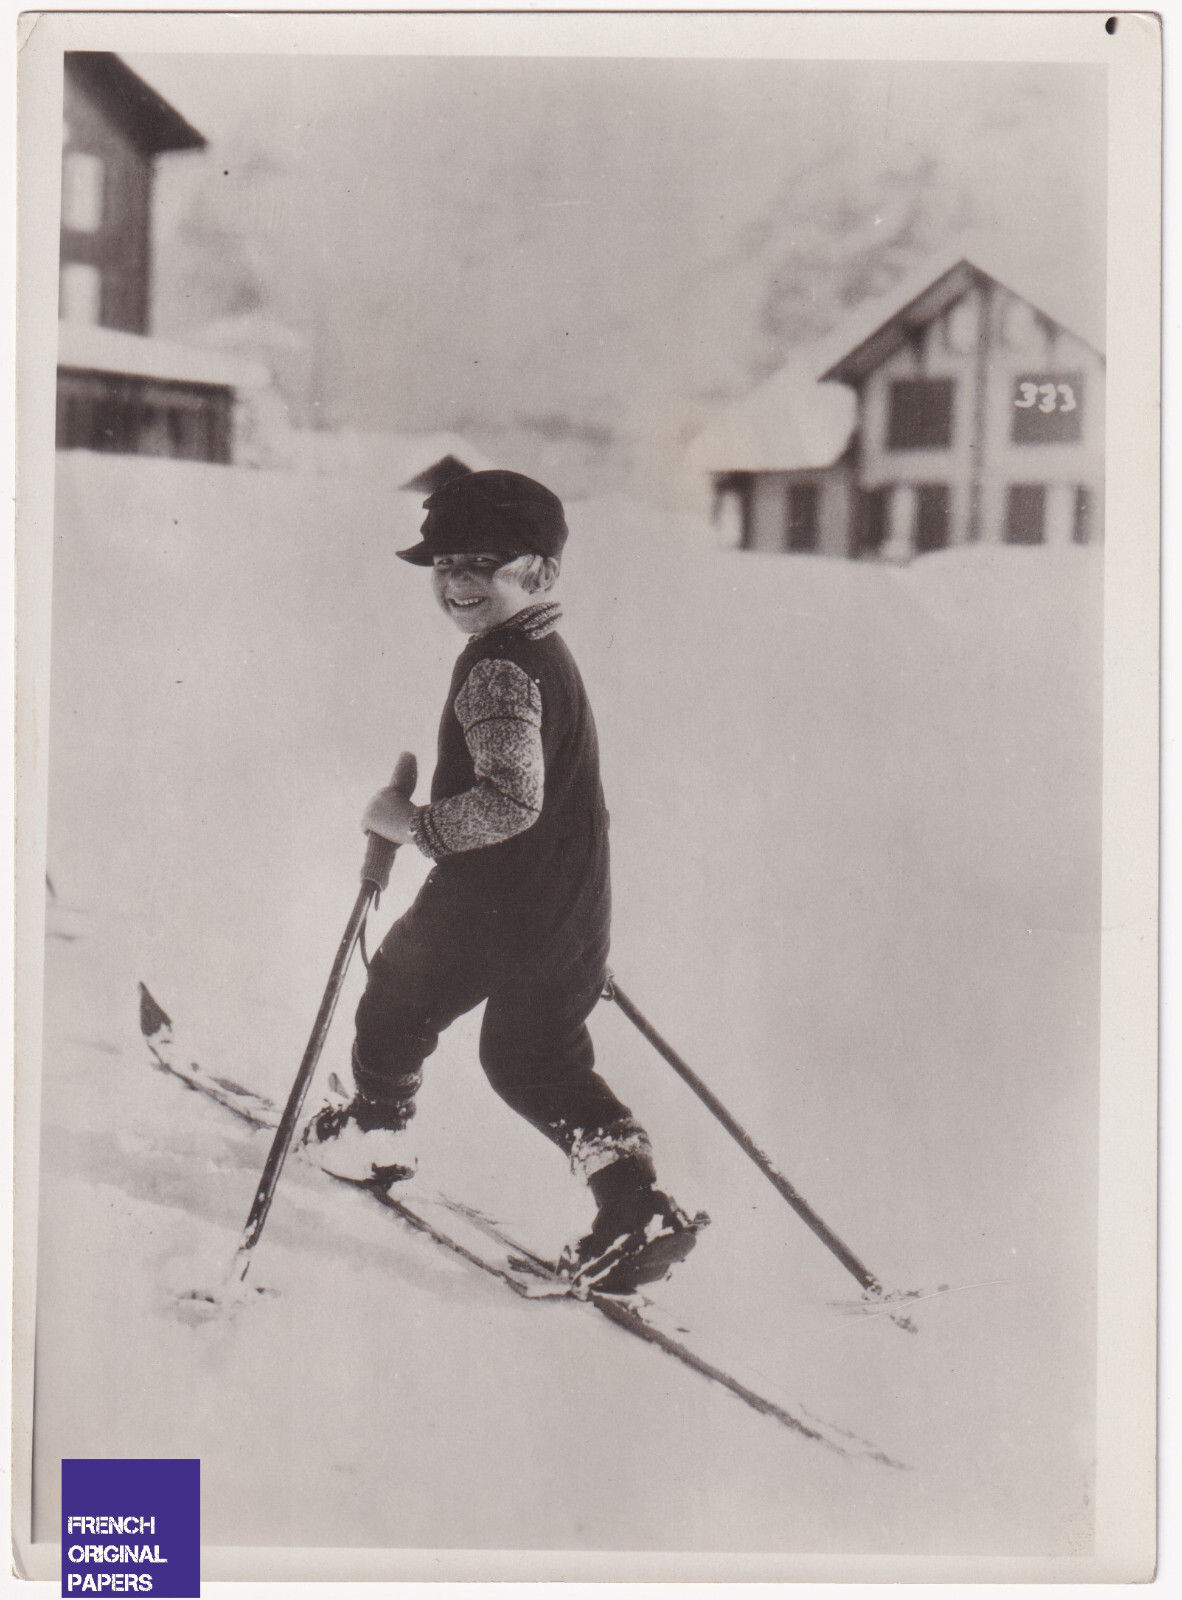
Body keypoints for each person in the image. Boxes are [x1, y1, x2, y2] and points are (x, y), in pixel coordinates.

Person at [302, 469, 699, 1294]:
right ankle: (635, 1204)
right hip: (566, 899)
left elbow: (513, 800)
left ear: (541, 574)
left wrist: (407, 826)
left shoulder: (495, 670)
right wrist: (574, 932)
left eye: (481, 562)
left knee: (397, 995)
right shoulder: (546, 655)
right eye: (445, 564)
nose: (456, 582)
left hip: (489, 898)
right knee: (534, 1058)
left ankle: (377, 1129)